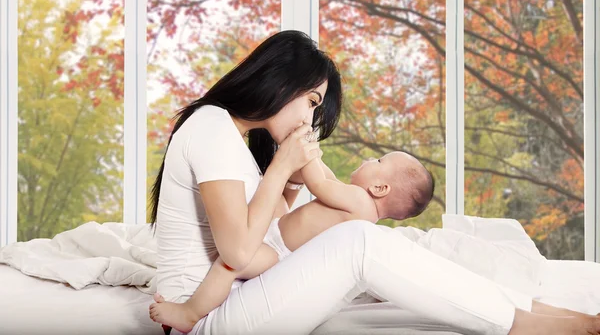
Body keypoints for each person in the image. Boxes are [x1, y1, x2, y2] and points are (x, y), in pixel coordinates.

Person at [150, 30, 600, 335]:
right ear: (278, 81)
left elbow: (267, 224)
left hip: (240, 292)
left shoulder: (235, 139)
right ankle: (526, 324)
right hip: (209, 315)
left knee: (401, 252)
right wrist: (282, 168)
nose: (311, 118)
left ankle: (540, 311)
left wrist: (283, 179)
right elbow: (236, 252)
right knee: (363, 242)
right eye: (311, 101)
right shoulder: (212, 126)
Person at [149, 150, 435, 333]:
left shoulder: (359, 201)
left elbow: (320, 184)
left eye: (379, 161)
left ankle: (190, 312)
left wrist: (306, 152)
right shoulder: (361, 211)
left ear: (379, 188)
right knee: (267, 195)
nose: (369, 159)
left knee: (231, 263)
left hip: (277, 252)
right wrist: (314, 154)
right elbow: (329, 179)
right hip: (277, 233)